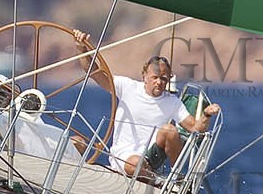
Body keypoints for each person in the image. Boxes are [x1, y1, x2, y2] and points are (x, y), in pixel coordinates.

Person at [70, 29, 220, 179]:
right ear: (144, 76)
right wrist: (81, 48)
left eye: (164, 78)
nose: (159, 82)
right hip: (123, 156)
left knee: (170, 130)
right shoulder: (127, 87)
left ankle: (176, 178)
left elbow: (195, 128)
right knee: (76, 142)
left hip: (150, 157)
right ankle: (148, 175)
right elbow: (94, 72)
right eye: (155, 77)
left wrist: (206, 115)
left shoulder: (172, 102)